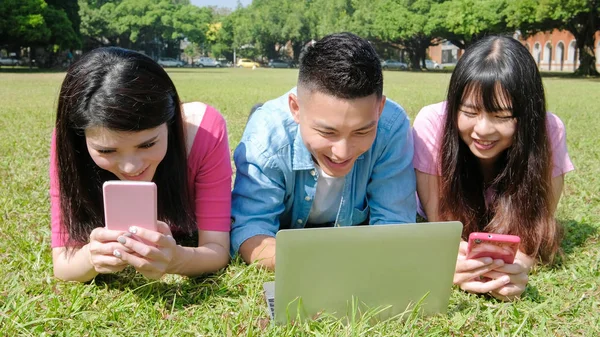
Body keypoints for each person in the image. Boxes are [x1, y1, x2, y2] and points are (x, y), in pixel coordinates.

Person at [231, 32, 416, 270]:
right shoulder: (266, 135)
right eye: (328, 132)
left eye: (361, 132)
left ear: (379, 109)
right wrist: (321, 265)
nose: (342, 152)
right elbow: (250, 231)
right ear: (296, 108)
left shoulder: (391, 126)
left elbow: (395, 223)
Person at [412, 36, 574, 300]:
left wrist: (518, 266)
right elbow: (441, 227)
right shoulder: (433, 123)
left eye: (502, 116)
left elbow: (536, 227)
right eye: (469, 111)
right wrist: (453, 263)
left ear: (527, 115)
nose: (483, 130)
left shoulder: (548, 130)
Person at [50, 47, 232, 282]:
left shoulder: (204, 134)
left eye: (147, 145)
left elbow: (217, 250)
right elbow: (63, 265)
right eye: (106, 150)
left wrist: (176, 259)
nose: (130, 167)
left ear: (171, 121)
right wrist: (91, 257)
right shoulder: (70, 147)